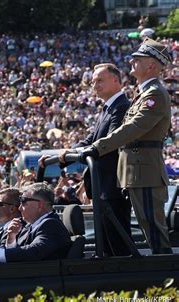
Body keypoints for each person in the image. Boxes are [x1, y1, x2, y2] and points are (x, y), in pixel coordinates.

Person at [81, 38, 173, 254]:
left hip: (146, 171)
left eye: (138, 59)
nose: (132, 61)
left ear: (151, 65)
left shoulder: (155, 94)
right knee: (147, 230)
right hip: (136, 172)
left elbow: (133, 128)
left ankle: (167, 281)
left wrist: (97, 147)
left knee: (154, 234)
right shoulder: (142, 93)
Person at [43, 63, 132, 256]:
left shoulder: (122, 107)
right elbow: (91, 140)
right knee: (107, 244)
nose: (95, 85)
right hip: (102, 186)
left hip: (113, 184)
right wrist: (66, 155)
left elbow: (109, 142)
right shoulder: (107, 108)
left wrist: (74, 154)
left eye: (100, 80)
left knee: (118, 244)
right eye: (93, 81)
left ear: (116, 81)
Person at [0, 182, 71, 262]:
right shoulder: (30, 225)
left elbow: (35, 251)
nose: (19, 208)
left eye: (23, 201)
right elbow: (17, 253)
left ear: (40, 205)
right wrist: (11, 238)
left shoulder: (50, 224)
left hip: (39, 281)